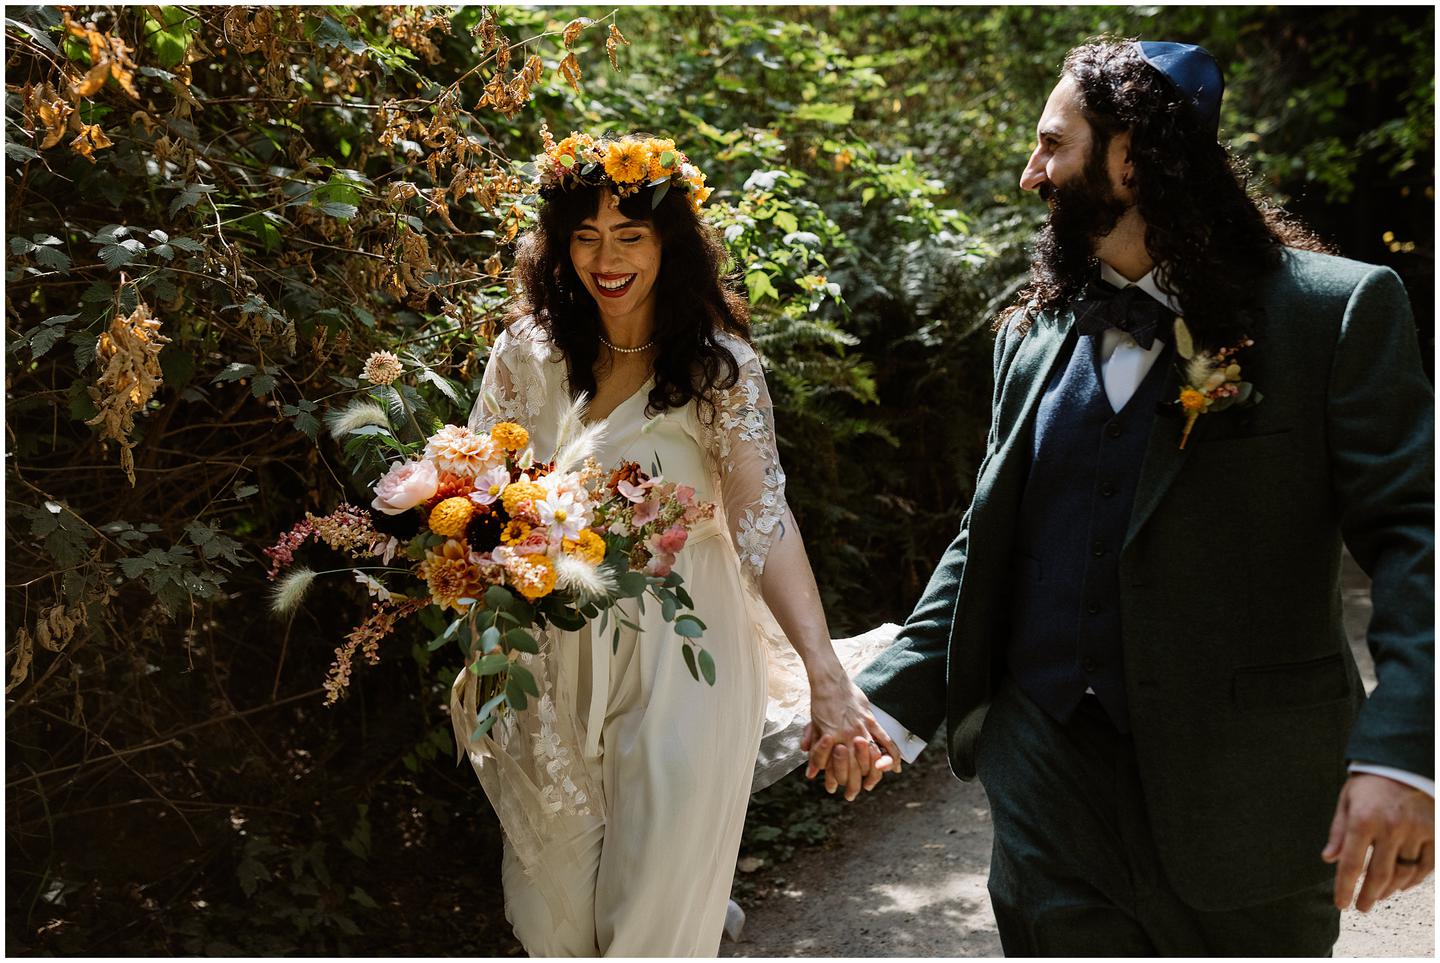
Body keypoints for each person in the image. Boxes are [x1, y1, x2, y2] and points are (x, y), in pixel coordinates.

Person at [812, 39, 1435, 955]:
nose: (1032, 173)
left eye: (1053, 144)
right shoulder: (1027, 332)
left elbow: (1417, 537)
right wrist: (893, 700)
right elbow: (986, 538)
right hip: (1048, 792)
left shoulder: (1334, 313)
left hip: (1251, 799)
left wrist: (1402, 750)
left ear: (1133, 157)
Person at [451, 130, 900, 957]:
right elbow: (476, 489)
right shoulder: (527, 354)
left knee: (649, 930)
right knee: (550, 924)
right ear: (559, 245)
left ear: (670, 245)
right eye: (584, 236)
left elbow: (764, 521)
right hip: (548, 667)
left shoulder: (717, 372)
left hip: (685, 665)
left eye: (629, 235)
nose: (605, 257)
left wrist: (823, 675)